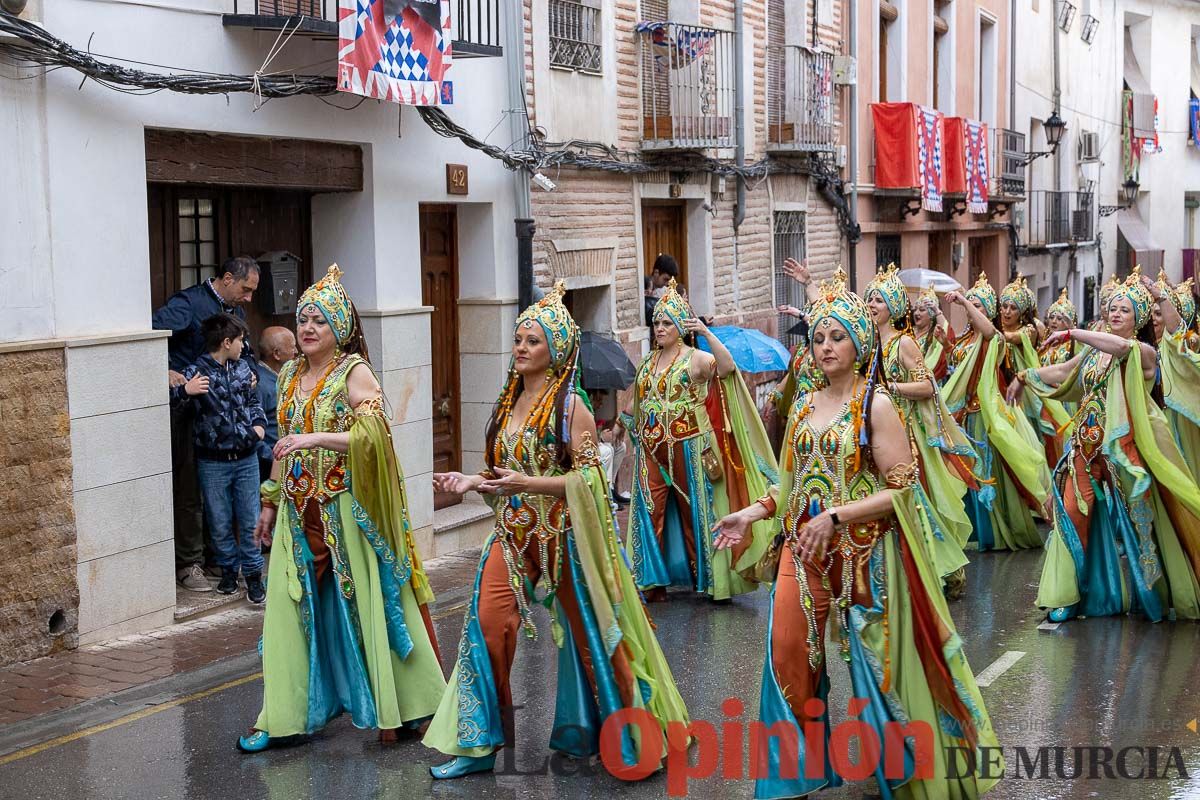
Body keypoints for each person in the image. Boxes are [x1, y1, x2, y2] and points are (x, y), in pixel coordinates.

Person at [712, 269, 1001, 799]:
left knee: (882, 667)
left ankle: (905, 763)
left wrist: (837, 516)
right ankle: (798, 770)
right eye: (819, 337)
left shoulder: (878, 405)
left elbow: (902, 491)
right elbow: (789, 483)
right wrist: (751, 514)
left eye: (837, 335)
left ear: (859, 341)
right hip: (803, 550)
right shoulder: (800, 407)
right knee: (787, 650)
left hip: (866, 556)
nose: (825, 346)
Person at [423, 282, 688, 779]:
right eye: (519, 339)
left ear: (557, 351)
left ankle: (630, 740)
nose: (521, 348)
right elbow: (504, 474)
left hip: (566, 537)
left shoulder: (572, 408)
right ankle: (478, 743)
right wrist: (471, 481)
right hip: (513, 533)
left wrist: (530, 482)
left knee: (594, 637)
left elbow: (589, 480)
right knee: (486, 623)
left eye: (533, 341)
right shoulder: (506, 406)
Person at [238, 265, 445, 753]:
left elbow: (374, 434)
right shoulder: (288, 373)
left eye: (320, 322)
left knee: (370, 606)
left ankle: (406, 706)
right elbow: (283, 447)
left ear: (342, 330)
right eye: (303, 319)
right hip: (296, 511)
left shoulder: (353, 372)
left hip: (345, 512)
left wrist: (317, 437)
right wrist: (269, 502)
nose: (308, 328)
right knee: (288, 613)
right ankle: (284, 716)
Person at [1011, 268, 1200, 623]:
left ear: (1139, 318)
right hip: (1085, 447)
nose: (1115, 313)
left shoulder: (1143, 352)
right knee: (1070, 512)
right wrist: (1025, 376)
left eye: (1124, 310)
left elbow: (1120, 347)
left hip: (1129, 453)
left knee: (1146, 530)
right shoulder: (1095, 353)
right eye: (1112, 308)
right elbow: (1065, 373)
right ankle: (1067, 595)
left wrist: (1073, 331)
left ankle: (1156, 595)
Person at [626, 279, 779, 602]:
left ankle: (708, 577)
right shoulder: (647, 363)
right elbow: (633, 406)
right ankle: (652, 582)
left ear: (681, 326)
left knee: (695, 511)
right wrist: (629, 426)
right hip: (652, 450)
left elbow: (727, 369)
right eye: (656, 322)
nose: (660, 328)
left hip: (690, 445)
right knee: (650, 510)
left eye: (667, 323)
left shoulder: (695, 358)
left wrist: (708, 334)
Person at [864, 264, 977, 599]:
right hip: (876, 435)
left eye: (879, 301)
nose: (871, 305)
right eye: (869, 299)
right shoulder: (867, 344)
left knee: (917, 504)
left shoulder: (904, 344)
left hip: (907, 437)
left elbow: (928, 387)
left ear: (894, 308)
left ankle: (945, 567)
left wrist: (890, 388)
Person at [153, 255, 260, 592]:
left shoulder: (236, 312)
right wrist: (165, 368)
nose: (249, 298)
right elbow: (150, 334)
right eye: (245, 289)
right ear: (227, 278)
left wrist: (252, 373)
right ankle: (189, 563)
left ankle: (220, 560)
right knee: (191, 489)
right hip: (190, 409)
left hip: (229, 419)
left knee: (227, 495)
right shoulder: (188, 303)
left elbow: (249, 354)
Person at [942, 275, 1051, 551]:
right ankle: (968, 530)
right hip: (963, 414)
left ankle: (993, 532)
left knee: (985, 470)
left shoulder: (995, 340)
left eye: (979, 307)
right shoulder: (966, 338)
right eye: (971, 306)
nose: (972, 311)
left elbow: (991, 333)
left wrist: (965, 301)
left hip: (986, 412)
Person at [170, 313, 267, 601]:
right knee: (219, 520)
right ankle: (228, 572)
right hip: (212, 462)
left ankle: (253, 575)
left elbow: (253, 400)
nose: (243, 345)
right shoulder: (196, 373)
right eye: (240, 340)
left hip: (246, 458)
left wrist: (259, 427)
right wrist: (185, 392)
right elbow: (169, 405)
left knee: (250, 518)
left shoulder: (242, 370)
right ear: (226, 342)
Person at [997, 274, 1070, 467]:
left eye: (1013, 308)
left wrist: (986, 327)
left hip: (1025, 393)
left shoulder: (1029, 329)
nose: (1006, 312)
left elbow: (1010, 338)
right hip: (1000, 388)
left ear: (1022, 312)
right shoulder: (997, 328)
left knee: (1031, 436)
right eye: (1003, 306)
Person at [1148, 272, 1200, 485]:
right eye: (1149, 314)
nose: (1153, 319)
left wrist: (1161, 296)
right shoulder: (1138, 346)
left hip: (1174, 422)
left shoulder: (1175, 345)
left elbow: (1178, 331)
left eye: (1159, 314)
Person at [256, 326, 298, 480]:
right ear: (276, 354)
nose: (296, 352)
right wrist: (273, 458)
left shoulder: (284, 377)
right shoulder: (259, 384)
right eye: (292, 347)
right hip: (270, 465)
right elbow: (252, 428)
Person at [911, 285, 954, 381]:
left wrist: (937, 311)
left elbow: (946, 332)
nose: (916, 313)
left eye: (922, 310)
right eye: (916, 309)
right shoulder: (908, 331)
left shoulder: (934, 335)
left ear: (931, 315)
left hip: (924, 382)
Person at [643, 253, 681, 328]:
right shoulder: (643, 285)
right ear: (656, 272)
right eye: (665, 279)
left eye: (668, 281)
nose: (666, 283)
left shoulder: (664, 291)